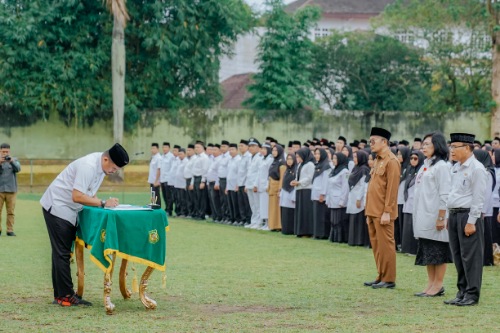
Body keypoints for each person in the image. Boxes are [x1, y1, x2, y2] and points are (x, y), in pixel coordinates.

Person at [40, 143, 129, 306]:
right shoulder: (88, 166)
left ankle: (60, 296)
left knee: (61, 253)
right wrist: (103, 203)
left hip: (68, 209)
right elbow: (77, 196)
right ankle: (66, 296)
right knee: (62, 253)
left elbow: (90, 194)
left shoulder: (101, 168)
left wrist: (101, 203)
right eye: (114, 168)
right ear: (106, 158)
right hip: (58, 206)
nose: (114, 171)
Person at [444, 132, 487, 306]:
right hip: (454, 215)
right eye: (451, 147)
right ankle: (462, 291)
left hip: (467, 215)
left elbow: (478, 198)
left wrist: (471, 221)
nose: (452, 150)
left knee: (471, 257)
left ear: (468, 148)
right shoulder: (456, 167)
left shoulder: (476, 169)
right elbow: (453, 194)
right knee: (458, 256)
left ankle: (472, 294)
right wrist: (448, 216)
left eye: (455, 147)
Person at [412, 133, 452, 297]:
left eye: (428, 144)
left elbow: (445, 194)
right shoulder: (425, 165)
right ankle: (430, 284)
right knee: (428, 251)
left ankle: (438, 285)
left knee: (438, 251)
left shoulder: (442, 166)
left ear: (437, 145)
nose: (424, 147)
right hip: (423, 215)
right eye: (423, 144)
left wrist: (441, 217)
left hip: (436, 215)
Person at [364, 127, 400, 289]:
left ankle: (389, 278)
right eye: (370, 141)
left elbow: (392, 190)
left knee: (386, 245)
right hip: (373, 210)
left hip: (383, 212)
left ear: (384, 142)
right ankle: (380, 275)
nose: (370, 144)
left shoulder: (391, 161)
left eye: (374, 141)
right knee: (377, 245)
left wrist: (387, 211)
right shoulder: (378, 159)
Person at [473, 149, 496, 266]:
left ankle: (486, 259)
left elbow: (486, 194)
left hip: (483, 211)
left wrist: (482, 210)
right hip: (480, 210)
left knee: (485, 235)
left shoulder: (487, 173)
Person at [401, 150, 424, 255]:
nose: (413, 161)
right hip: (407, 202)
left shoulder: (422, 170)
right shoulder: (409, 169)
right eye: (411, 158)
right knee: (406, 226)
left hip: (416, 203)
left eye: (415, 158)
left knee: (412, 226)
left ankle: (413, 250)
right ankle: (406, 248)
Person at [347, 150, 370, 246]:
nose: (354, 159)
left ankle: (359, 241)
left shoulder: (364, 169)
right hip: (352, 196)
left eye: (356, 157)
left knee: (359, 219)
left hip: (358, 198)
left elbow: (362, 185)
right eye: (354, 157)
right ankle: (353, 240)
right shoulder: (355, 168)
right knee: (353, 219)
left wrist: (358, 198)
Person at [290, 148, 315, 237]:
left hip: (307, 189)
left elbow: (309, 178)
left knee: (306, 211)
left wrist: (299, 182)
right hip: (299, 189)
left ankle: (307, 231)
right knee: (300, 211)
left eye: (298, 156)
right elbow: (298, 176)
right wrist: (294, 181)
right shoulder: (300, 165)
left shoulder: (310, 165)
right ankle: (299, 231)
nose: (297, 158)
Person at [327, 152, 350, 243]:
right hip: (332, 199)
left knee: (338, 221)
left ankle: (340, 238)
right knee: (333, 220)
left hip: (339, 199)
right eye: (333, 158)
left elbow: (345, 188)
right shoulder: (334, 170)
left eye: (335, 158)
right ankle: (333, 237)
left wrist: (342, 201)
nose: (333, 160)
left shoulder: (345, 171)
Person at [0, 143, 21, 236]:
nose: (5, 153)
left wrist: (12, 161)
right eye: (3, 151)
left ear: (9, 151)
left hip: (11, 190)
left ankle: (10, 230)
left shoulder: (14, 160)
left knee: (11, 212)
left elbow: (18, 169)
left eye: (6, 151)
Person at [311, 148, 331, 239]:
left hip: (321, 194)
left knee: (322, 215)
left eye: (318, 154)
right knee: (317, 215)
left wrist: (322, 194)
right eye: (315, 154)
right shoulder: (318, 165)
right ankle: (317, 233)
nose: (317, 156)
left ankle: (323, 234)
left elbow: (325, 181)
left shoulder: (326, 166)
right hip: (315, 193)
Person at [244, 138, 263, 229]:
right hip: (249, 184)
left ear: (258, 147)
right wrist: (246, 185)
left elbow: (259, 173)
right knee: (252, 205)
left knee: (257, 204)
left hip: (256, 185)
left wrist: (256, 185)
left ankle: (259, 222)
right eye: (250, 146)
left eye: (253, 146)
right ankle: (254, 221)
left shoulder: (260, 157)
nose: (251, 148)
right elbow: (249, 173)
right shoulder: (250, 157)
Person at [190, 142, 210, 220]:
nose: (196, 149)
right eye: (195, 147)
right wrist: (192, 182)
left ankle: (202, 214)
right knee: (196, 197)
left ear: (202, 148)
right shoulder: (196, 157)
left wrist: (203, 181)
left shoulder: (205, 157)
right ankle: (197, 212)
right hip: (195, 178)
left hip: (200, 178)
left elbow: (205, 170)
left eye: (198, 147)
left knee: (201, 198)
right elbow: (193, 170)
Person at [396, 147, 411, 251]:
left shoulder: (408, 168)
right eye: (397, 154)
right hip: (396, 200)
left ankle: (402, 244)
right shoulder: (398, 167)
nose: (398, 157)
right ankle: (397, 243)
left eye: (400, 155)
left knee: (402, 224)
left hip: (403, 200)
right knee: (396, 224)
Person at [268, 145, 286, 231]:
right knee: (272, 207)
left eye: (276, 150)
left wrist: (280, 189)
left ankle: (278, 225)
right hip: (272, 185)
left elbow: (282, 177)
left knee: (277, 208)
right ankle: (272, 225)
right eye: (273, 150)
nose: (274, 152)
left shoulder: (282, 162)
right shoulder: (274, 161)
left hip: (277, 186)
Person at [256, 143, 273, 230]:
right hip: (260, 185)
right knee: (262, 205)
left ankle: (268, 223)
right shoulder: (262, 159)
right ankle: (264, 223)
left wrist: (267, 185)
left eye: (264, 149)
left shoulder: (270, 159)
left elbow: (269, 174)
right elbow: (259, 174)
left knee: (267, 205)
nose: (262, 150)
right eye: (261, 149)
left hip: (266, 186)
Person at [280, 153, 297, 235]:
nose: (289, 161)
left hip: (292, 192)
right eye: (288, 159)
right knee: (285, 211)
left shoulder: (296, 170)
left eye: (291, 159)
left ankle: (291, 229)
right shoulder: (286, 170)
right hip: (285, 192)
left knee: (291, 212)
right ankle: (285, 229)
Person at [226, 143, 242, 225]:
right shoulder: (230, 160)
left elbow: (239, 174)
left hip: (235, 185)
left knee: (236, 204)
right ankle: (232, 218)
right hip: (229, 185)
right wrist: (226, 187)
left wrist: (237, 184)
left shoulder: (239, 160)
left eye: (232, 150)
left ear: (236, 150)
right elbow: (228, 173)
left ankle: (238, 219)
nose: (231, 151)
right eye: (229, 150)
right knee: (231, 204)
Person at [237, 140, 252, 226]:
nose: (240, 148)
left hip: (245, 184)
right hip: (240, 184)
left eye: (242, 146)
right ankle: (243, 219)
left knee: (247, 204)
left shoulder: (249, 157)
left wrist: (246, 184)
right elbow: (239, 172)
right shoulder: (241, 157)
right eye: (239, 146)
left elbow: (248, 172)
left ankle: (248, 219)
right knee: (241, 203)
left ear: (247, 147)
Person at [160, 142, 174, 215]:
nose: (164, 149)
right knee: (164, 196)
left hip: (168, 179)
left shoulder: (171, 157)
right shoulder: (162, 156)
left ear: (169, 148)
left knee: (169, 196)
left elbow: (172, 169)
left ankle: (169, 210)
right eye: (163, 147)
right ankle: (166, 208)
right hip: (162, 179)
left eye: (166, 147)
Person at [174, 148, 187, 217]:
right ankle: (178, 212)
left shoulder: (186, 161)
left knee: (183, 199)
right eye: (179, 154)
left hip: (183, 184)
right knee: (178, 199)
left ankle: (183, 212)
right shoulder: (178, 161)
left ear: (185, 154)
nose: (180, 155)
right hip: (177, 183)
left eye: (181, 154)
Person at [492, 149, 500, 245]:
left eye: (494, 155)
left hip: (498, 203)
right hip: (492, 205)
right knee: (494, 231)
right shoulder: (493, 169)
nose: (492, 157)